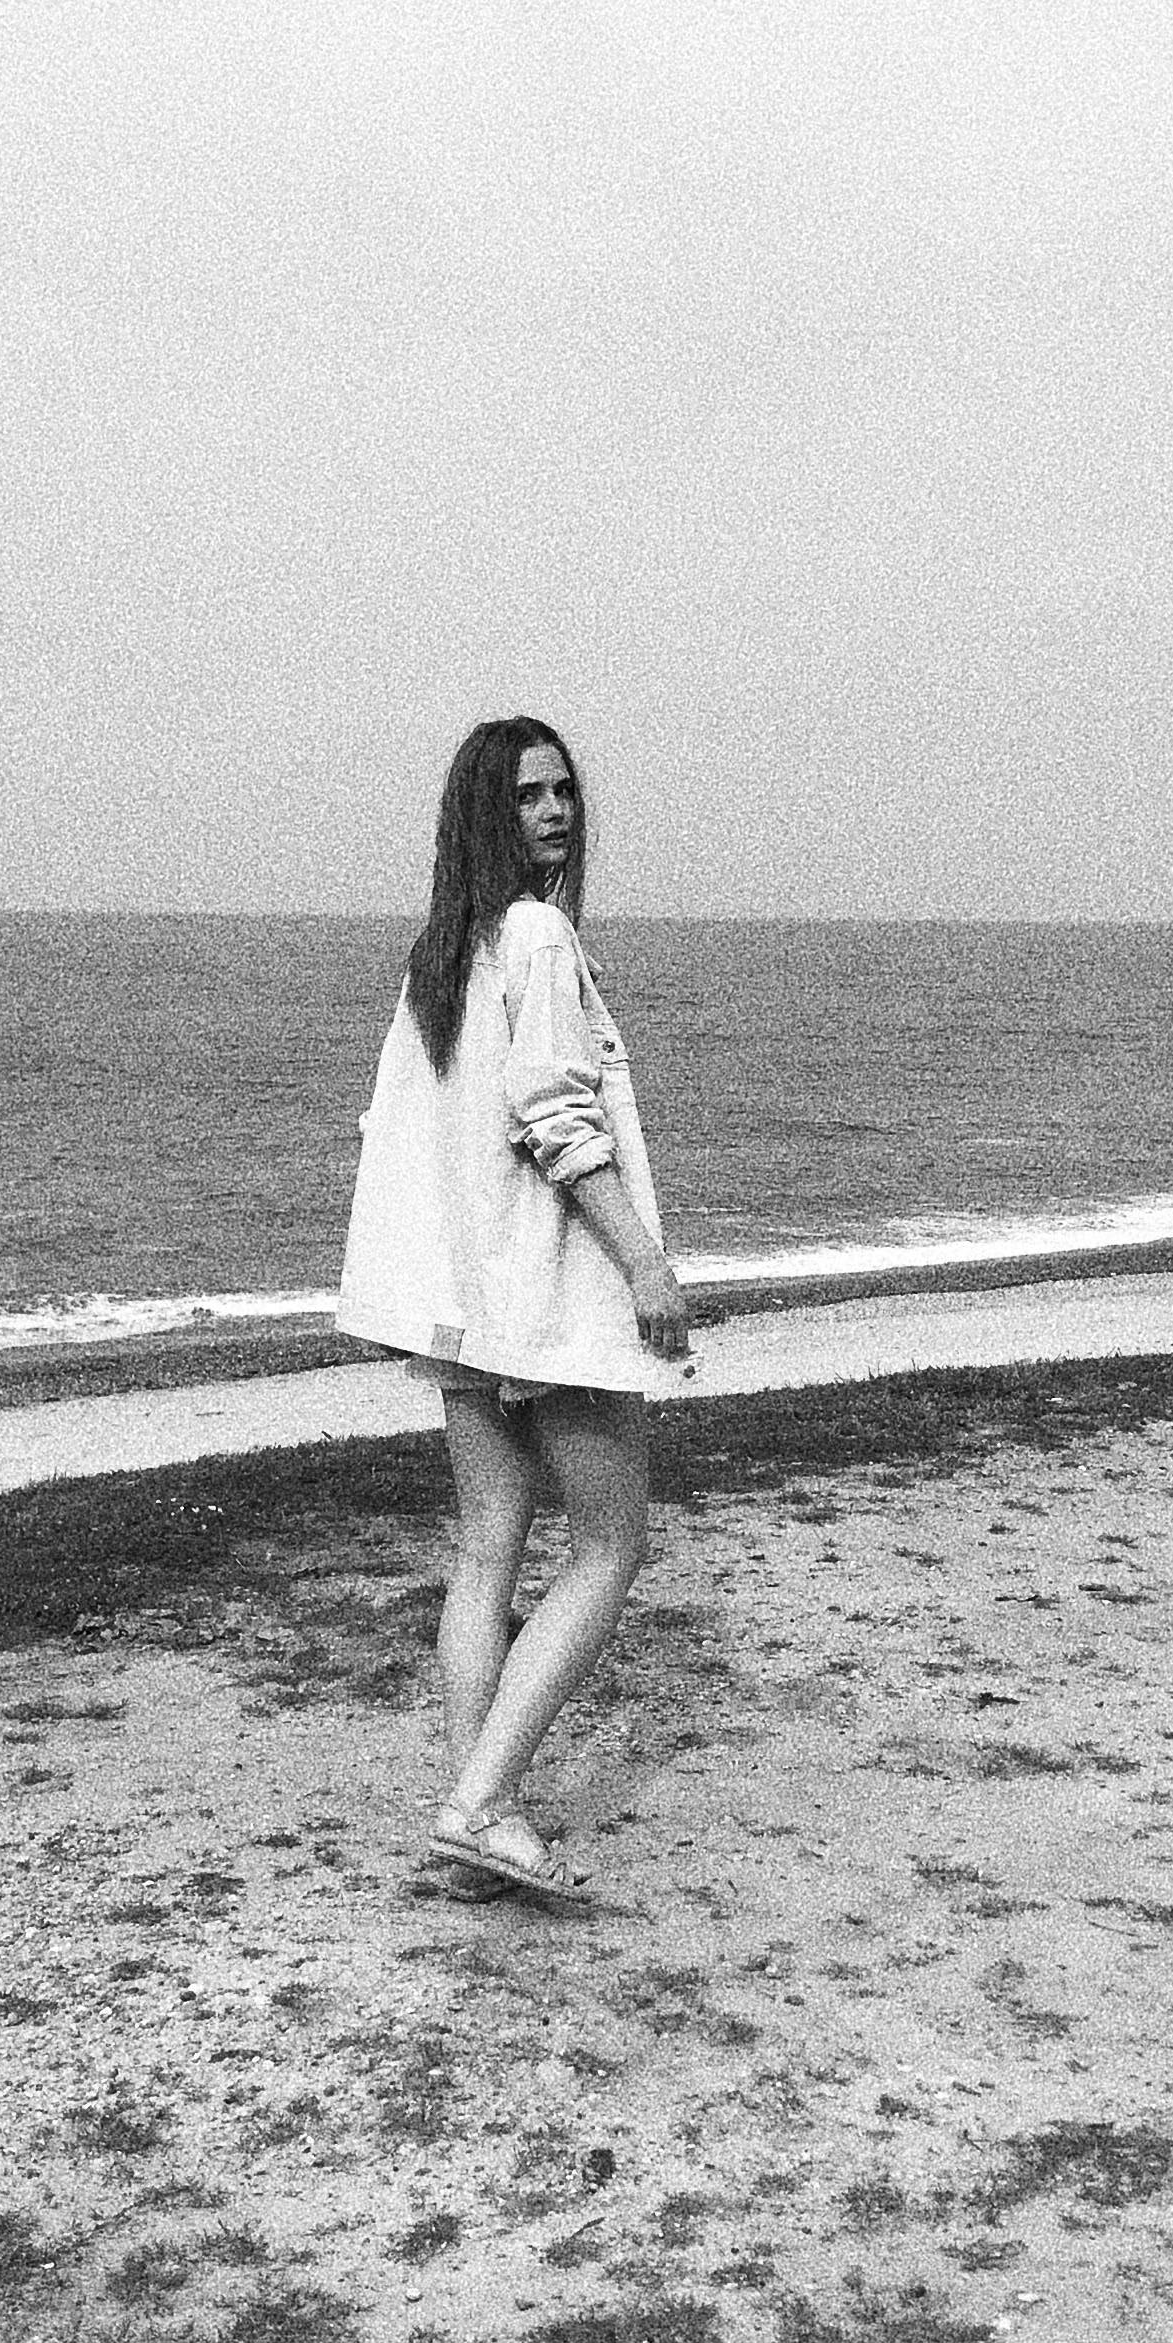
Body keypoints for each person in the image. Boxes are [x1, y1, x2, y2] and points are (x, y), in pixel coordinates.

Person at [335, 716, 691, 1902]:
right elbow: (555, 1118)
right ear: (486, 813)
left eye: (564, 792)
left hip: (469, 1300)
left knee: (488, 1547)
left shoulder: (446, 953)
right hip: (542, 1295)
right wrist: (644, 1265)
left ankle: (472, 1822)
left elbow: (410, 1139)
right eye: (530, 796)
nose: (556, 813)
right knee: (611, 1545)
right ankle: (481, 1805)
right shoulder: (536, 935)